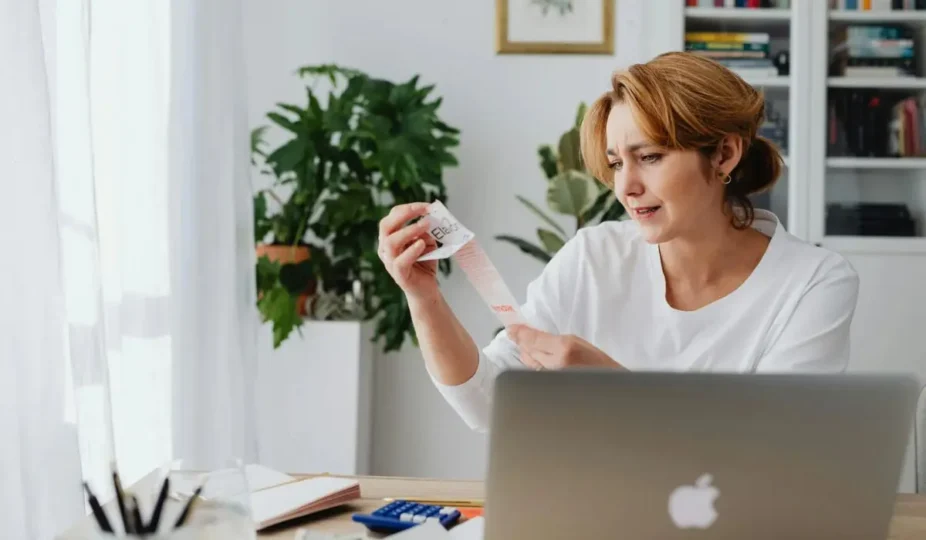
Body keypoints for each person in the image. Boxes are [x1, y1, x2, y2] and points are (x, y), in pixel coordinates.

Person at [376, 52, 860, 433]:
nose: (625, 187)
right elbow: (487, 405)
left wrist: (614, 387)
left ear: (724, 154)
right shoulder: (593, 257)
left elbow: (776, 447)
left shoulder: (812, 282)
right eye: (615, 163)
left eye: (649, 157)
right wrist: (424, 298)